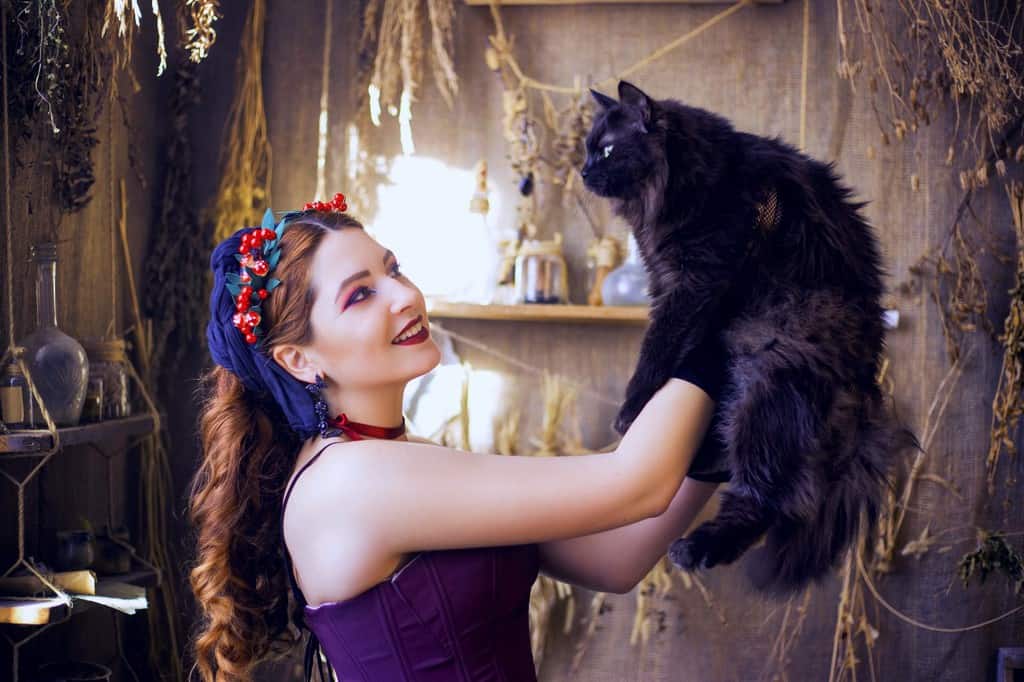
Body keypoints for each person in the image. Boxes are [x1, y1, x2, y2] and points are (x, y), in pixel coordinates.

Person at [187, 194, 730, 682]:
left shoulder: (398, 459)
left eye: (394, 270)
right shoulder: (351, 479)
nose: (404, 295)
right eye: (361, 295)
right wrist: (730, 315)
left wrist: (733, 420)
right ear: (298, 359)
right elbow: (636, 483)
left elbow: (614, 558)